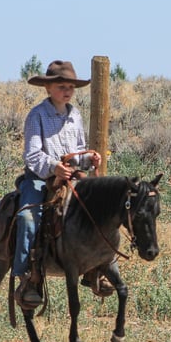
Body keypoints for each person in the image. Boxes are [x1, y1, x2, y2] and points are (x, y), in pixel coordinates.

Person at [13, 60, 102, 308]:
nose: (67, 91)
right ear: (48, 89)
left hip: (72, 177)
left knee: (100, 209)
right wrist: (54, 168)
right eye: (61, 86)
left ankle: (97, 267)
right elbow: (32, 155)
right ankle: (27, 276)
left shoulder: (75, 116)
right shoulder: (37, 115)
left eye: (70, 86)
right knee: (28, 218)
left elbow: (79, 154)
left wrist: (89, 159)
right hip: (41, 179)